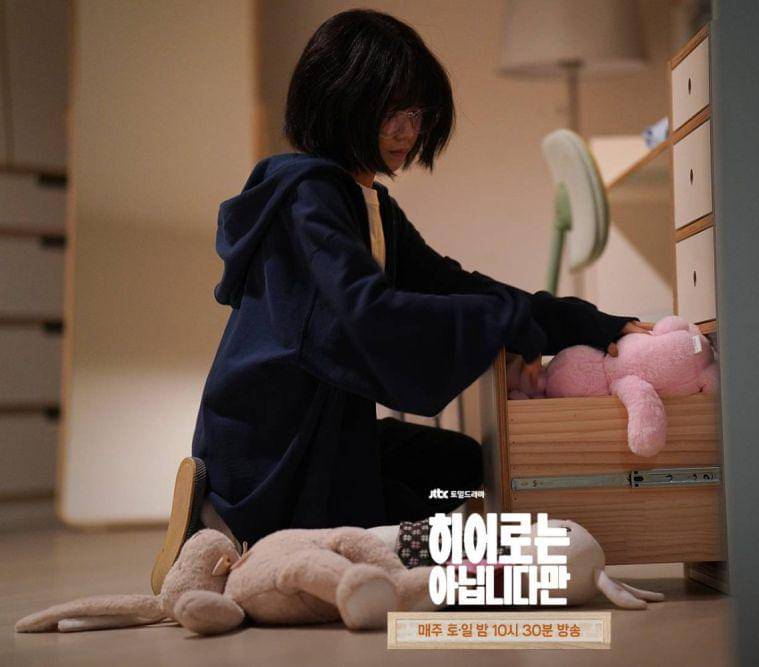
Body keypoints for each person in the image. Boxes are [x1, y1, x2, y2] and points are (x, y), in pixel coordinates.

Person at [149, 8, 651, 594]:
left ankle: (268, 541)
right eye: (392, 112)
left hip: (332, 432)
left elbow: (455, 284)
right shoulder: (308, 195)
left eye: (417, 114)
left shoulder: (371, 205)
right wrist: (504, 322)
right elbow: (368, 316)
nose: (407, 131)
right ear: (341, 99)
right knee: (401, 537)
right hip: (279, 448)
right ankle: (236, 536)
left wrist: (594, 325)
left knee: (460, 469)